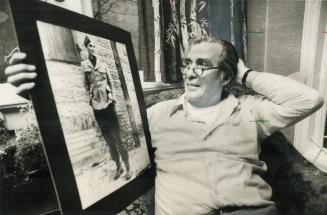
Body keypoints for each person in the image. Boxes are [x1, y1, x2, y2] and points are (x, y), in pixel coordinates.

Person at [5, 36, 324, 214]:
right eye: (187, 64)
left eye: (202, 65)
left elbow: (308, 99)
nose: (189, 72)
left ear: (225, 76)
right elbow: (95, 126)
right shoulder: (157, 115)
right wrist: (37, 91)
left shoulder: (251, 112)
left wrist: (245, 74)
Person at [81, 36, 131, 181]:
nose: (93, 48)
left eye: (94, 46)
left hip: (108, 105)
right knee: (109, 141)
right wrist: (89, 101)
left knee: (118, 138)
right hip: (97, 107)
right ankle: (118, 167)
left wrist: (113, 96)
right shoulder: (84, 66)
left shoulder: (103, 64)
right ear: (86, 48)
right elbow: (85, 85)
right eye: (90, 46)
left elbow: (111, 82)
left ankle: (127, 166)